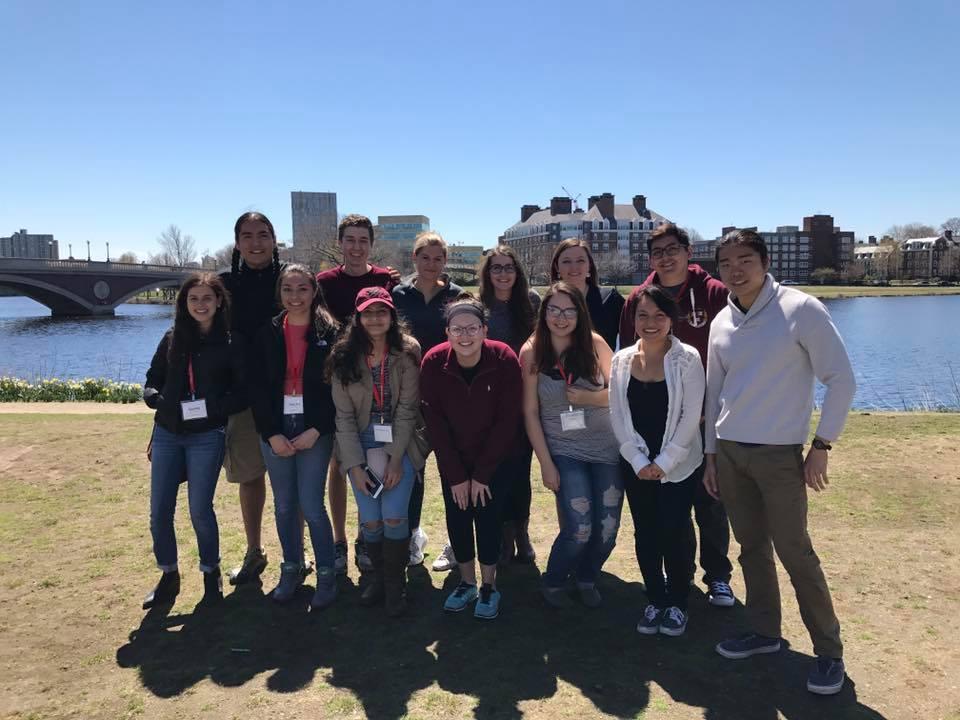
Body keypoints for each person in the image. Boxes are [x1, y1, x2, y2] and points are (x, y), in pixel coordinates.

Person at [703, 229, 856, 696]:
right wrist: (710, 455)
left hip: (779, 456)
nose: (735, 269)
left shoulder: (801, 309)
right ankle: (766, 633)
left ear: (765, 262)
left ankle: (829, 653)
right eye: (726, 262)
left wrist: (821, 445)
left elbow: (842, 380)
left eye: (745, 259)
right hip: (730, 453)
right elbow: (714, 394)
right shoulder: (721, 322)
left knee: (795, 552)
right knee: (750, 549)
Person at [618, 223, 735, 608]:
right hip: (655, 420)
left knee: (710, 501)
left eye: (673, 249)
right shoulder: (637, 297)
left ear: (687, 251)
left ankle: (717, 575)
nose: (666, 257)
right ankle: (667, 583)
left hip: (708, 416)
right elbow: (628, 355)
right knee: (668, 518)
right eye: (657, 252)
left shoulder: (714, 292)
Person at [142, 273, 245, 609]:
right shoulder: (172, 338)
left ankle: (209, 572)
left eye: (207, 298)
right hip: (168, 433)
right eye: (193, 299)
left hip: (206, 435)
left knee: (199, 509)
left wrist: (213, 410)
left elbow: (241, 394)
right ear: (184, 304)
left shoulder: (231, 342)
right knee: (159, 512)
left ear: (218, 302)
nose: (200, 305)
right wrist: (154, 398)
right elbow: (152, 380)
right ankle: (168, 575)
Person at [520, 282, 623, 609]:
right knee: (579, 526)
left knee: (607, 526)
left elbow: (622, 393)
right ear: (544, 313)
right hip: (564, 452)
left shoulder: (595, 344)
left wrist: (591, 397)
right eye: (554, 310)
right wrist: (546, 463)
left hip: (606, 448)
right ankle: (554, 579)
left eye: (569, 310)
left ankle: (587, 577)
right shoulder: (533, 351)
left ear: (580, 313)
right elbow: (530, 411)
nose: (561, 318)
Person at [609, 286, 705, 637]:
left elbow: (691, 416)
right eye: (643, 315)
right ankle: (656, 598)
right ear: (633, 320)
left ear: (671, 319)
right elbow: (616, 414)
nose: (651, 323)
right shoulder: (621, 361)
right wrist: (637, 461)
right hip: (636, 464)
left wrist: (664, 463)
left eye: (659, 315)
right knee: (646, 531)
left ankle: (678, 602)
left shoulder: (688, 359)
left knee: (675, 531)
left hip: (678, 467)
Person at [420, 297, 523, 620]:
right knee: (459, 514)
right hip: (454, 457)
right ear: (447, 332)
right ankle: (466, 582)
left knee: (489, 515)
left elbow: (508, 420)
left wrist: (481, 475)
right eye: (458, 328)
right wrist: (456, 476)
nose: (465, 335)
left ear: (485, 330)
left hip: (496, 458)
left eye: (472, 328)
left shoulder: (504, 357)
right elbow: (433, 421)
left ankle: (489, 586)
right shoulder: (434, 361)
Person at [329, 287, 429, 617]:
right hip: (359, 440)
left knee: (395, 514)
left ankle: (395, 586)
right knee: (370, 521)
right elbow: (342, 416)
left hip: (400, 440)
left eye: (381, 311)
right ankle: (379, 581)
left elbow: (406, 409)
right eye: (368, 312)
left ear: (391, 315)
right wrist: (354, 466)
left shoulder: (407, 350)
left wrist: (397, 457)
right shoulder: (343, 355)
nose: (375, 318)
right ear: (357, 317)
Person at [251, 265, 339, 609]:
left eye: (302, 289)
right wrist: (271, 433)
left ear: (313, 291)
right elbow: (257, 389)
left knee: (312, 505)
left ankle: (327, 575)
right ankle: (291, 567)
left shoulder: (331, 332)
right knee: (285, 504)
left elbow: (338, 388)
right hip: (276, 425)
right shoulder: (268, 333)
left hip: (314, 427)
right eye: (288, 289)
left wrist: (317, 429)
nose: (295, 296)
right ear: (280, 293)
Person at [317, 214, 400, 577]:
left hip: (378, 384)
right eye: (349, 239)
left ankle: (369, 536)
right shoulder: (323, 282)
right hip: (339, 379)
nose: (355, 246)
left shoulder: (385, 279)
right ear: (340, 243)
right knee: (341, 462)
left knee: (378, 459)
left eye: (362, 240)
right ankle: (339, 540)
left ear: (371, 243)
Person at [220, 212, 285, 586]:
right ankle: (254, 550)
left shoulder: (290, 281)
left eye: (263, 235)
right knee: (250, 476)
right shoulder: (224, 285)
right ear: (237, 242)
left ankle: (296, 551)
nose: (256, 243)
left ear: (274, 240)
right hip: (242, 397)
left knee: (289, 481)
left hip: (288, 394)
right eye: (247, 236)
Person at [392, 231, 463, 570]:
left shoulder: (456, 296)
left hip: (449, 393)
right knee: (413, 470)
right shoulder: (398, 295)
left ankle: (456, 541)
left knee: (453, 469)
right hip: (409, 393)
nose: (431, 264)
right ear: (414, 259)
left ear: (445, 262)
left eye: (438, 258)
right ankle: (412, 535)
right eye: (425, 257)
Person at [478, 246, 540, 565]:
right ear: (487, 274)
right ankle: (503, 539)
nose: (503, 274)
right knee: (496, 471)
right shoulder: (478, 307)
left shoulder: (531, 303)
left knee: (520, 472)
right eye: (496, 268)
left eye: (509, 268)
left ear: (518, 273)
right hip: (489, 403)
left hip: (525, 400)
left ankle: (522, 533)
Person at [550, 238, 624, 350]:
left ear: (589, 265)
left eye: (580, 261)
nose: (574, 267)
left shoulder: (610, 299)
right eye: (566, 261)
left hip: (603, 365)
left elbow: (630, 339)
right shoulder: (549, 304)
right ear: (557, 267)